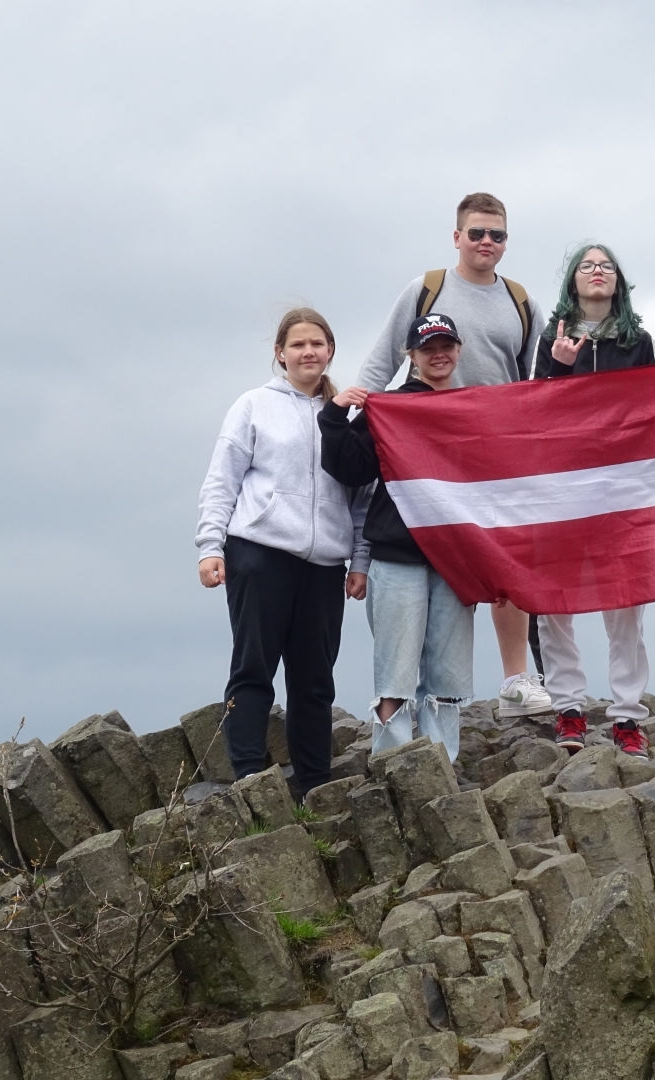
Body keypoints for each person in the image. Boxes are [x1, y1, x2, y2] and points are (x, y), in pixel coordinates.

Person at [357, 193, 552, 722]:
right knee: (438, 572)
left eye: (497, 235)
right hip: (433, 450)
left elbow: (535, 377)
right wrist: (351, 415)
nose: (486, 243)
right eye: (477, 233)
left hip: (499, 448)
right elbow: (381, 362)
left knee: (507, 557)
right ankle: (406, 706)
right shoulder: (428, 289)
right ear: (457, 237)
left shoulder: (520, 300)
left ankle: (516, 679)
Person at [195, 307, 368, 798]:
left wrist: (360, 561)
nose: (308, 351)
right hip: (259, 552)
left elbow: (362, 496)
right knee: (254, 667)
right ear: (280, 354)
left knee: (314, 679)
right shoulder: (253, 405)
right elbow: (222, 478)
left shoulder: (349, 413)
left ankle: (315, 783)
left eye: (317, 343)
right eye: (298, 344)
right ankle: (249, 777)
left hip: (324, 565)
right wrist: (210, 545)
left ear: (330, 350)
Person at [322, 314, 475, 760]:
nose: (439, 354)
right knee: (395, 674)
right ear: (411, 356)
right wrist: (334, 417)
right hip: (396, 556)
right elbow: (350, 468)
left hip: (455, 562)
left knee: (448, 677)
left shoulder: (474, 408)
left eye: (446, 345)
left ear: (460, 350)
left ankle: (441, 770)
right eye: (428, 348)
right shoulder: (389, 408)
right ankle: (394, 768)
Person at [531, 244, 655, 758]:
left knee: (626, 601)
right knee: (554, 597)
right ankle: (569, 707)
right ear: (573, 281)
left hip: (620, 487)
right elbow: (536, 411)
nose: (598, 271)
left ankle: (628, 714)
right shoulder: (551, 338)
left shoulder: (639, 341)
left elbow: (651, 410)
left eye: (606, 265)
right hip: (562, 485)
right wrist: (560, 369)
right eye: (588, 265)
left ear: (618, 281)